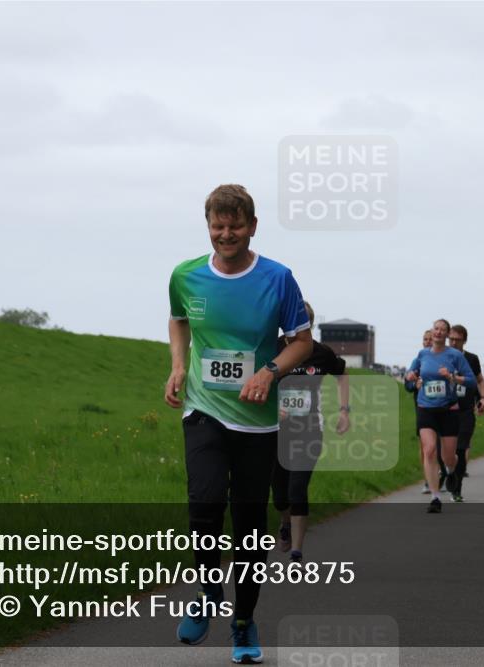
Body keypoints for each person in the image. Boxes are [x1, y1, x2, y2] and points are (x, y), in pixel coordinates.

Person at [166, 184, 312, 663]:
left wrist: (270, 372)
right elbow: (179, 320)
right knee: (204, 502)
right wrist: (179, 366)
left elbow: (301, 343)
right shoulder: (185, 275)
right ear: (208, 225)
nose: (226, 234)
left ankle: (245, 623)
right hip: (204, 410)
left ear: (252, 226)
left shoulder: (278, 278)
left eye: (235, 225)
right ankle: (209, 593)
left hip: (258, 425)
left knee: (249, 529)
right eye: (218, 225)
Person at [273, 302, 350, 564]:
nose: (298, 327)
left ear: (310, 324)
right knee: (280, 495)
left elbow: (342, 374)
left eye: (304, 322)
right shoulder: (273, 348)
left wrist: (344, 411)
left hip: (310, 430)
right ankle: (285, 522)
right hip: (277, 430)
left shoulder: (321, 352)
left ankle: (297, 551)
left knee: (297, 490)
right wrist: (273, 407)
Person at [405, 319, 477, 513]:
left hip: (448, 409)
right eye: (436, 329)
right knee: (429, 450)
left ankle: (450, 472)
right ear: (432, 331)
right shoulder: (421, 355)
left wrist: (452, 377)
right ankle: (435, 497)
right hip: (425, 408)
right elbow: (408, 380)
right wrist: (411, 380)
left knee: (448, 457)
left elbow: (471, 381)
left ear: (447, 335)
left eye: (442, 330)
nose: (438, 332)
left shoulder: (454, 356)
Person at [445, 324, 484, 502]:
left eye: (457, 339)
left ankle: (457, 488)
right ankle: (447, 472)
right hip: (444, 410)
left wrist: (483, 398)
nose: (454, 342)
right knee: (446, 451)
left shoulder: (471, 359)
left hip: (465, 411)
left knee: (461, 449)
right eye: (451, 339)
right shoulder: (441, 356)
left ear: (464, 340)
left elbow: (480, 381)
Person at [407, 330, 435, 495]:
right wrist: (414, 385)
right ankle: (427, 479)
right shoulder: (418, 361)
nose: (427, 342)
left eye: (430, 339)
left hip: (443, 407)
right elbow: (408, 384)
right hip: (422, 407)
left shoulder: (445, 359)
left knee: (440, 445)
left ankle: (443, 473)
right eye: (425, 339)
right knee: (425, 445)